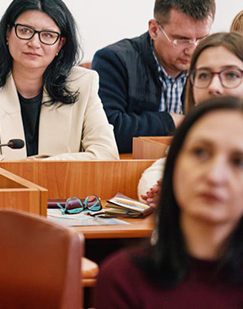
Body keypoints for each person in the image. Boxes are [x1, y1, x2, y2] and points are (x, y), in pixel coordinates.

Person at [0, 0, 118, 180]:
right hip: (4, 191)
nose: (34, 43)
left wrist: (40, 167)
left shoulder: (83, 84)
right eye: (25, 31)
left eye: (48, 35)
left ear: (60, 44)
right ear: (8, 33)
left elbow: (106, 154)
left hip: (64, 194)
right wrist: (14, 168)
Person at [94, 97, 243, 308]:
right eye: (200, 152)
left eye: (238, 162)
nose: (215, 176)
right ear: (173, 163)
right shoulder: (123, 279)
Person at [92, 0, 215, 153]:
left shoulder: (214, 67)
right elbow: (108, 131)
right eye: (181, 39)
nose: (193, 50)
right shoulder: (115, 60)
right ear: (154, 30)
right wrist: (173, 121)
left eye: (202, 39)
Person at [138, 32, 243, 204]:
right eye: (204, 75)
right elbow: (156, 174)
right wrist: (165, 191)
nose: (214, 87)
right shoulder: (192, 135)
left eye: (231, 75)